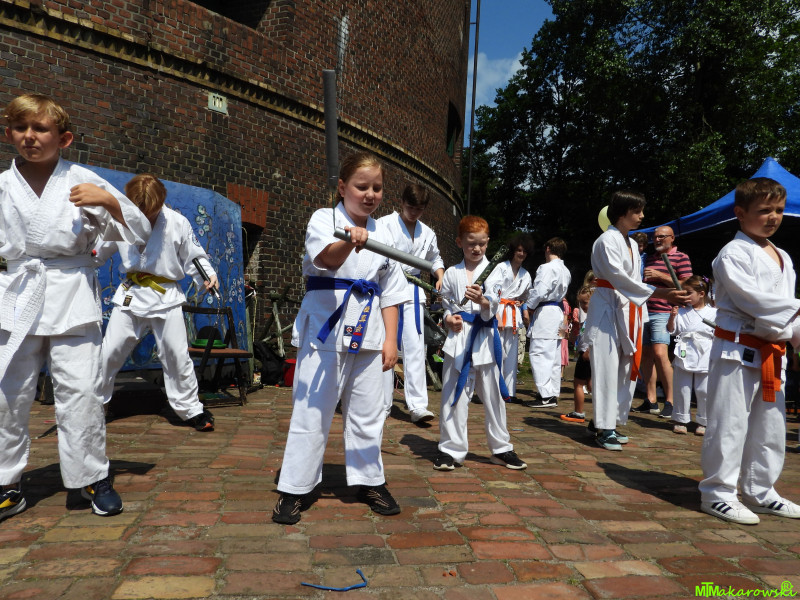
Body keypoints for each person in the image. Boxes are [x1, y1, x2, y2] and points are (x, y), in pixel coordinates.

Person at [0, 94, 151, 521]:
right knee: (8, 395)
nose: (30, 137)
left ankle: (90, 476)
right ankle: (6, 483)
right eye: (21, 128)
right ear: (9, 133)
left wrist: (110, 202)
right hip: (15, 294)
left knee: (81, 392)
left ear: (63, 138)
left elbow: (141, 230)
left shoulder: (82, 179)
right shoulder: (3, 185)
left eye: (41, 128)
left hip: (71, 294)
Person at [272, 152, 410, 525]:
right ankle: (295, 487)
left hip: (369, 332)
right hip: (326, 328)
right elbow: (328, 260)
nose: (370, 194)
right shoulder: (324, 219)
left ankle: (369, 481)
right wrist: (350, 240)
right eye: (361, 186)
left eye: (377, 188)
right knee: (312, 411)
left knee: (368, 413)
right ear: (342, 187)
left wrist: (392, 340)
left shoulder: (386, 232)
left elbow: (392, 291)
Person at [699, 177, 800, 525]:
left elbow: (787, 311)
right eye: (764, 210)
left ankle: (761, 490)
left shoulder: (783, 256)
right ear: (740, 213)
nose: (773, 217)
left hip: (773, 351)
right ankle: (717, 492)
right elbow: (753, 301)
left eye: (779, 210)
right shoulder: (732, 253)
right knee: (729, 423)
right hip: (737, 349)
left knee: (770, 426)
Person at [95, 174, 217, 432]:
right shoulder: (120, 219)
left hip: (166, 295)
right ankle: (95, 406)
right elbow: (97, 252)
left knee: (176, 354)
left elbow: (195, 257)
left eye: (151, 212)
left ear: (160, 203)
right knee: (110, 351)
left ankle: (191, 409)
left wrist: (207, 276)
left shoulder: (177, 222)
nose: (146, 217)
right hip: (131, 294)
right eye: (140, 212)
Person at [583, 191, 688, 451]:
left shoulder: (630, 242)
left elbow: (633, 281)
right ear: (622, 213)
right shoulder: (606, 240)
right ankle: (604, 427)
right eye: (637, 211)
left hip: (628, 308)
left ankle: (606, 421)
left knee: (624, 366)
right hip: (607, 307)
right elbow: (618, 278)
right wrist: (661, 293)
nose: (642, 216)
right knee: (606, 366)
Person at [433, 216, 526, 472]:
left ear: (488, 242)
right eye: (471, 243)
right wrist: (448, 319)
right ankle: (450, 449)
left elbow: (494, 303)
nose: (477, 249)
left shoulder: (497, 270)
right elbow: (446, 305)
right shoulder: (452, 273)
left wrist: (483, 301)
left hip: (485, 336)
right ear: (459, 242)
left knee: (494, 395)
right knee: (453, 393)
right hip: (460, 337)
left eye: (482, 244)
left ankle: (501, 448)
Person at [378, 184, 445, 424]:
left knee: (416, 348)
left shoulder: (427, 232)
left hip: (414, 291)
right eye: (410, 207)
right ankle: (382, 404)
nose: (414, 213)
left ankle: (418, 405)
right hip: (388, 288)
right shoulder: (384, 224)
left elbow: (435, 258)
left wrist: (439, 275)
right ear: (401, 203)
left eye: (419, 209)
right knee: (385, 346)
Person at [633, 225, 692, 418]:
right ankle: (651, 400)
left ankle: (671, 401)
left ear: (672, 238)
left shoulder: (681, 257)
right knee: (646, 355)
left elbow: (687, 285)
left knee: (660, 353)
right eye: (655, 237)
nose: (657, 240)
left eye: (661, 236)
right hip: (644, 310)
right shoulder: (649, 258)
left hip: (664, 311)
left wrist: (660, 276)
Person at [666, 275, 717, 435]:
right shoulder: (681, 311)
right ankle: (681, 419)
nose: (685, 297)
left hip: (705, 352)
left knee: (704, 390)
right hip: (685, 349)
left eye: (688, 293)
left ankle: (704, 421)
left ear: (701, 294)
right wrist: (672, 317)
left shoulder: (714, 312)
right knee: (682, 388)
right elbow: (672, 330)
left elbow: (717, 334)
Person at [487, 233, 533, 403]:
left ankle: (509, 392)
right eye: (519, 250)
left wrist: (522, 303)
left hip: (513, 314)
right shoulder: (501, 267)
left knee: (512, 355)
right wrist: (496, 314)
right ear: (513, 251)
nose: (521, 254)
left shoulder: (526, 274)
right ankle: (493, 390)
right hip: (499, 309)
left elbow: (527, 294)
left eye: (524, 251)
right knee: (497, 352)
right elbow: (491, 289)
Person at [525, 238, 571, 408]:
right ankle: (551, 392)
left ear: (548, 248)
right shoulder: (565, 270)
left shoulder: (546, 268)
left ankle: (546, 395)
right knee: (553, 356)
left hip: (546, 312)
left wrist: (529, 306)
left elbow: (540, 290)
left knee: (539, 353)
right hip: (557, 311)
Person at [561, 285, 595, 423]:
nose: (582, 306)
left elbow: (594, 336)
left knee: (578, 384)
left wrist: (588, 350)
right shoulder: (590, 316)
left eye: (585, 302)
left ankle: (578, 412)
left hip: (587, 354)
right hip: (585, 351)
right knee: (590, 384)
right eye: (580, 302)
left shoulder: (594, 317)